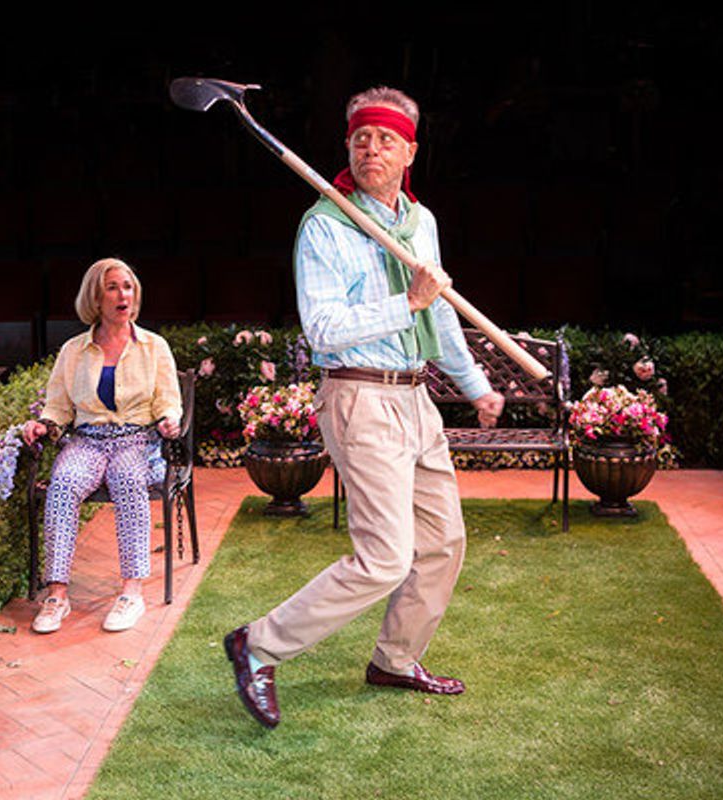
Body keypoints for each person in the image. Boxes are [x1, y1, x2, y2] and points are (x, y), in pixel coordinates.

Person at [224, 86, 505, 728]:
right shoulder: (325, 222)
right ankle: (256, 645)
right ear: (348, 147)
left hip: (416, 399)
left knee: (442, 543)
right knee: (385, 557)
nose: (370, 148)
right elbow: (322, 329)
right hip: (358, 396)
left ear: (409, 150)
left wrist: (474, 385)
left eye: (385, 138)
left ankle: (395, 660)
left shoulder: (421, 222)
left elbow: (442, 313)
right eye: (360, 138)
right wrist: (404, 302)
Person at [22, 257, 181, 635]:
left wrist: (169, 418)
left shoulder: (154, 347)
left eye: (127, 286)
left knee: (128, 482)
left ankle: (131, 592)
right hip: (88, 441)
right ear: (96, 297)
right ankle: (57, 595)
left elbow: (167, 400)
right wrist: (43, 425)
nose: (122, 294)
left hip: (136, 439)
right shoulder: (73, 351)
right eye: (112, 287)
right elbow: (58, 407)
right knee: (62, 485)